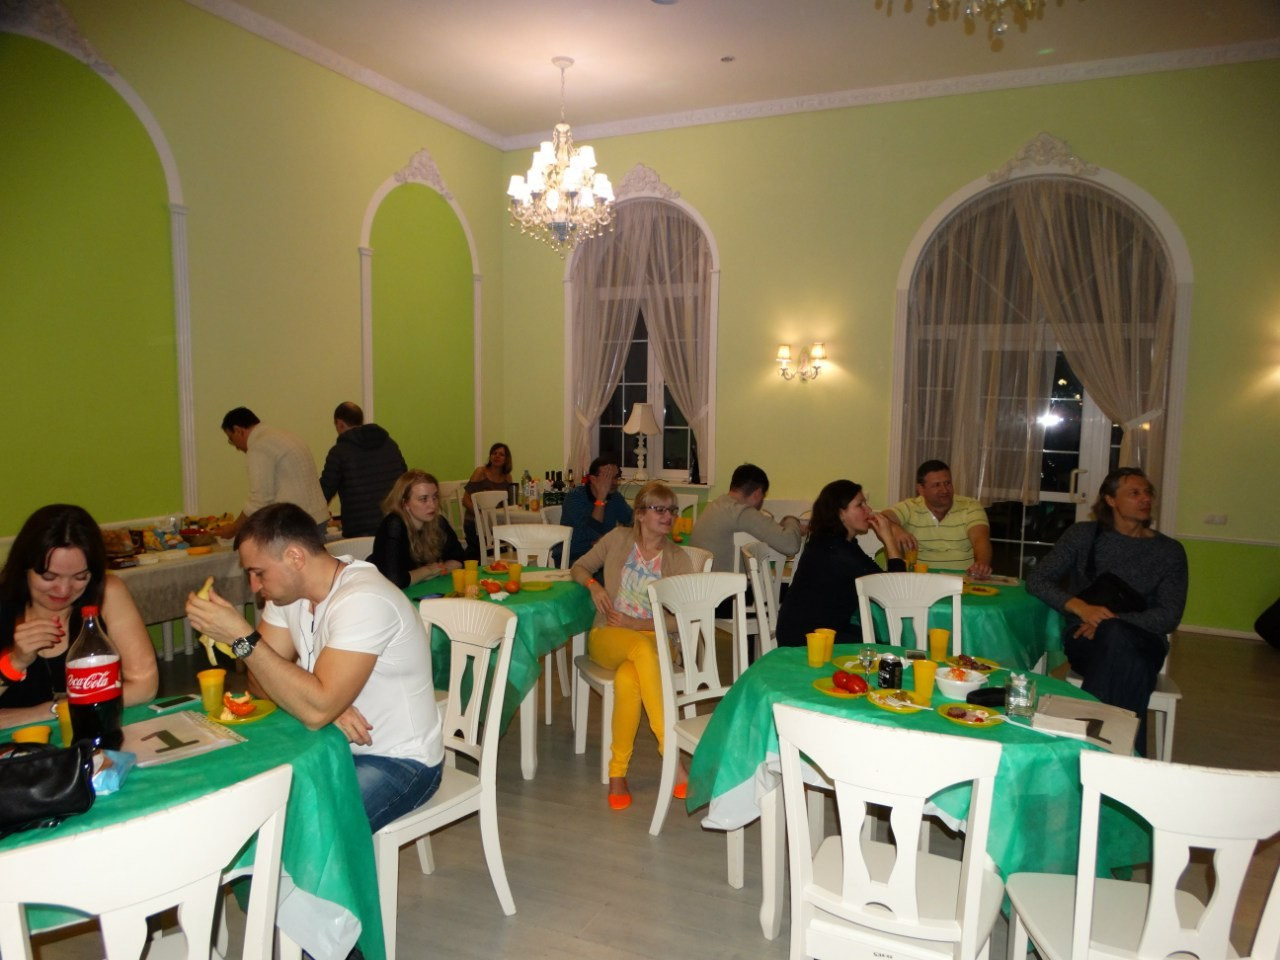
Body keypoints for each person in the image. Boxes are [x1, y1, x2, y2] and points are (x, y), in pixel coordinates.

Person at [186, 503, 444, 831]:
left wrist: (243, 639)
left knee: (297, 831)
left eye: (258, 572)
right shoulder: (288, 595)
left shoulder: (364, 599)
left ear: (295, 557)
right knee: (239, 805)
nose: (254, 586)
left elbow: (312, 704)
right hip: (324, 746)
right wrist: (321, 704)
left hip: (399, 761)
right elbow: (259, 681)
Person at [1026, 467, 1188, 755]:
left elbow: (1169, 616)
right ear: (1110, 500)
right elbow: (1037, 580)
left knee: (1116, 638)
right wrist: (1082, 608)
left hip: (1144, 642)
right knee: (1132, 665)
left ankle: (1088, 748)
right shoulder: (1083, 536)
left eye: (1148, 493)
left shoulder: (1169, 551)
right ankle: (1127, 756)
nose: (1145, 499)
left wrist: (1110, 621)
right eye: (1134, 493)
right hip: (1085, 640)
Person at [570, 481, 695, 811]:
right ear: (640, 514)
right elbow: (578, 567)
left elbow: (684, 618)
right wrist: (595, 586)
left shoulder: (677, 557)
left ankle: (617, 773)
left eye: (671, 510)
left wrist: (639, 624)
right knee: (640, 650)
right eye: (659, 509)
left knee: (629, 678)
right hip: (609, 634)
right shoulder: (617, 539)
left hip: (653, 638)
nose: (668, 516)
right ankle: (673, 759)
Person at [1, 504, 158, 728]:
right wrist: (16, 662)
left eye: (80, 577)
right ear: (23, 567)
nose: (63, 590)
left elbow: (145, 686)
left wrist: (52, 710)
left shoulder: (108, 593)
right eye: (49, 577)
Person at [776, 480, 908, 648]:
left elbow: (879, 579)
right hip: (809, 639)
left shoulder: (832, 542)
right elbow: (894, 589)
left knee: (876, 636)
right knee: (888, 644)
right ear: (841, 514)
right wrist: (889, 539)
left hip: (814, 630)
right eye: (860, 505)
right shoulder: (837, 550)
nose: (868, 510)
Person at [216, 407, 329, 539]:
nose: (236, 447)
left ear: (238, 430)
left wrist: (234, 528)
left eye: (231, 439)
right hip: (316, 518)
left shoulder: (259, 447)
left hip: (295, 525)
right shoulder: (284, 436)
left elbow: (259, 499)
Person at [885, 459, 993, 578]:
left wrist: (982, 563)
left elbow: (980, 539)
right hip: (921, 579)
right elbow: (881, 518)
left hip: (962, 580)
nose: (945, 490)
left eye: (947, 483)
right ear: (921, 489)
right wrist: (897, 530)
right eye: (936, 485)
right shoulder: (909, 507)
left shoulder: (970, 506)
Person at [689, 463, 803, 573]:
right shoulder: (741, 512)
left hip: (699, 581)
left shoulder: (715, 505)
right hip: (725, 585)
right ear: (757, 494)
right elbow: (790, 545)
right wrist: (791, 519)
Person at [319, 401, 407, 538]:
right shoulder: (390, 444)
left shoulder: (339, 452)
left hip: (359, 531)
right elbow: (405, 481)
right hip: (394, 525)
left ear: (340, 424)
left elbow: (324, 492)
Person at [368, 470, 464, 588]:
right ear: (405, 503)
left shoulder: (438, 522)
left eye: (435, 497)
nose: (432, 505)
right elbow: (394, 580)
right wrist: (428, 570)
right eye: (423, 499)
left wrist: (437, 571)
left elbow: (460, 559)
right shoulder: (394, 525)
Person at [560, 455, 633, 565]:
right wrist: (601, 497)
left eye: (616, 477)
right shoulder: (574, 497)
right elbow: (591, 535)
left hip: (604, 555)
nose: (614, 482)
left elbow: (631, 521)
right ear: (593, 479)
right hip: (574, 556)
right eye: (607, 478)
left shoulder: (615, 497)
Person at [461, 442, 513, 561]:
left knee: (511, 542)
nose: (497, 456)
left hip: (495, 523)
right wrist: (480, 515)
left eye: (501, 454)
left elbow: (507, 503)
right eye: (494, 453)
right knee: (482, 550)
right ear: (490, 456)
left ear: (506, 459)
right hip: (474, 521)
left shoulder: (507, 477)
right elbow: (465, 500)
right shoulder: (481, 472)